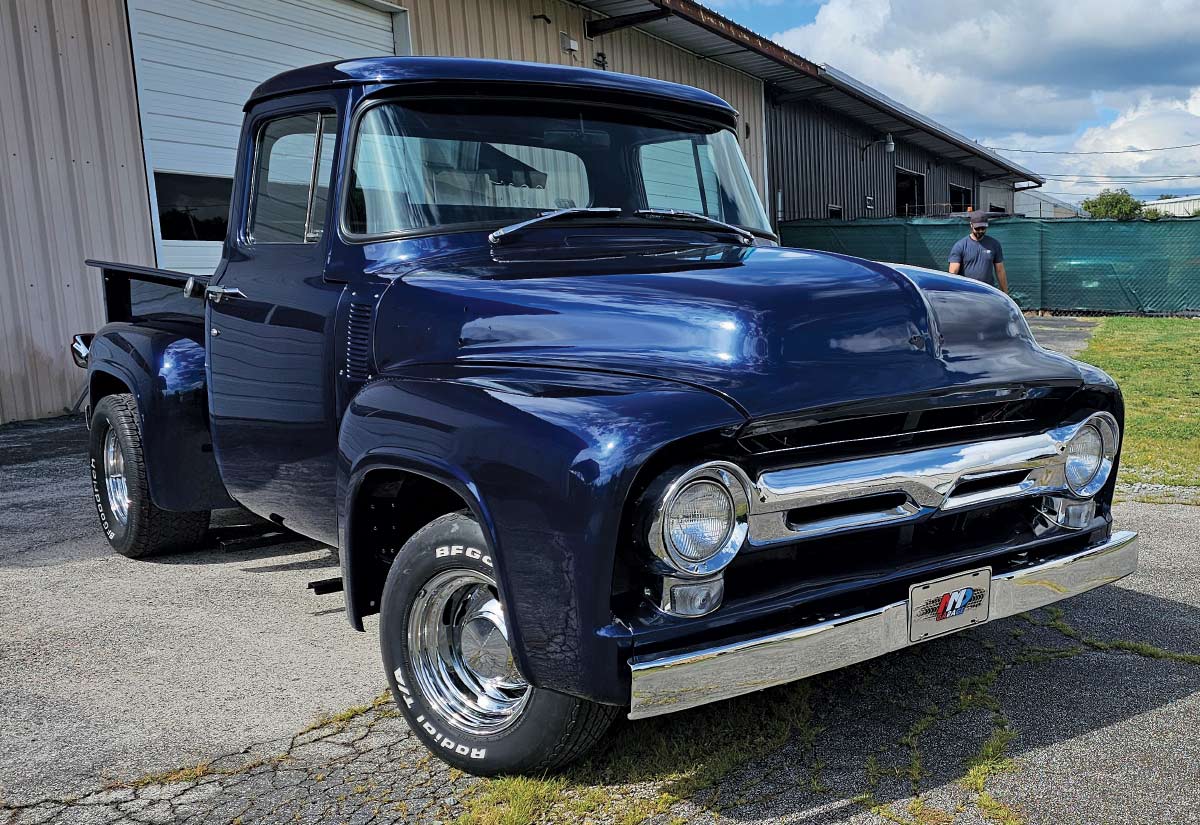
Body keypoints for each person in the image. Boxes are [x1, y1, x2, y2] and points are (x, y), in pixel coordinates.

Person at [948, 210, 1008, 293]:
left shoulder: (994, 244)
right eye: (977, 228)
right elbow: (953, 273)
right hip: (966, 293)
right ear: (971, 225)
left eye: (983, 228)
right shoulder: (960, 246)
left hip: (987, 292)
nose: (980, 231)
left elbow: (1000, 270)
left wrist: (1005, 294)